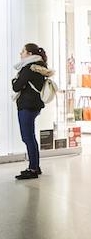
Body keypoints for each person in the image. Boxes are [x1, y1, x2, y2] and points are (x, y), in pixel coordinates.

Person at [12, 43, 53, 180]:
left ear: (30, 54)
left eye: (23, 51)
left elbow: (16, 87)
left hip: (26, 106)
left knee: (27, 137)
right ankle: (35, 166)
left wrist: (14, 81)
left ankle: (33, 169)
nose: (21, 53)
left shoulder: (28, 68)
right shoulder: (39, 66)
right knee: (31, 137)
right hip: (34, 106)